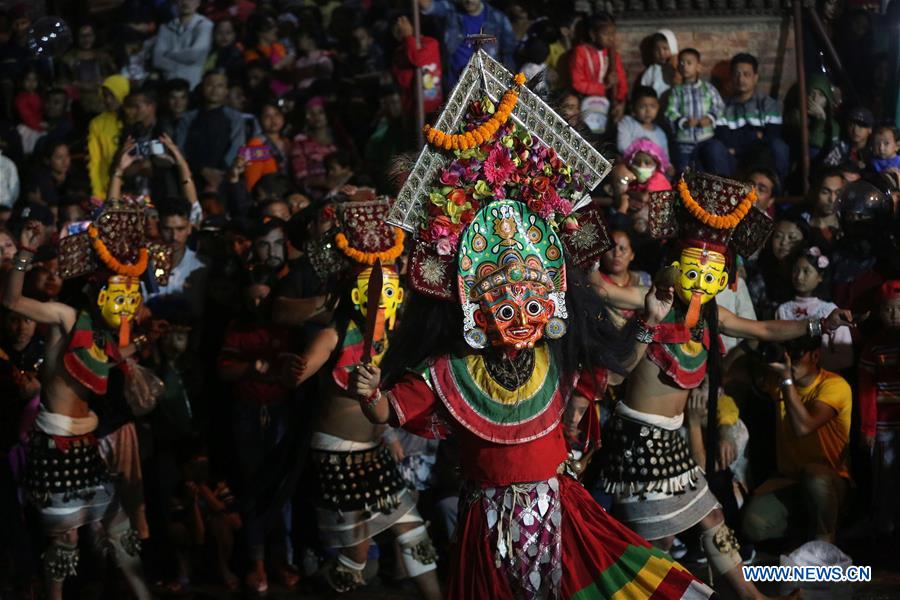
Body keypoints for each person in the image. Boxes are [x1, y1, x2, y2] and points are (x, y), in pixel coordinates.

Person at [347, 60, 714, 600]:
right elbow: (389, 410)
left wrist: (647, 325)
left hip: (559, 511)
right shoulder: (451, 369)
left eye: (531, 300)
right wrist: (369, 394)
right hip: (486, 523)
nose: (519, 314)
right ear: (475, 311)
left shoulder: (555, 355)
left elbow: (613, 373)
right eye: (503, 304)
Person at [594, 170, 851, 599]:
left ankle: (752, 598)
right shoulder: (653, 300)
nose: (701, 281)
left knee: (712, 519)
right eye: (694, 269)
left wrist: (818, 324)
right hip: (638, 441)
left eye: (712, 272)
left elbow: (764, 330)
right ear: (675, 266)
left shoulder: (713, 315)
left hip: (671, 443)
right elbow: (601, 292)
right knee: (655, 546)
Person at [2, 203, 166, 600]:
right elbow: (12, 302)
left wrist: (145, 339)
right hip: (54, 444)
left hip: (86, 445)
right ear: (97, 291)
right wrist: (24, 253)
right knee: (66, 541)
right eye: (118, 295)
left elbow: (109, 358)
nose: (125, 306)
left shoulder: (102, 334)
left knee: (120, 531)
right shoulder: (65, 317)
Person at [290, 198, 440, 596]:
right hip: (337, 454)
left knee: (414, 532)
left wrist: (388, 434)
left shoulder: (394, 335)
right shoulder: (334, 333)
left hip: (374, 450)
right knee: (356, 556)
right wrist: (285, 369)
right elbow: (299, 373)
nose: (380, 300)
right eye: (372, 292)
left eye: (389, 291)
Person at [217, 266, 305, 594]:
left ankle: (283, 559)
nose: (257, 304)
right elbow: (224, 369)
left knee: (280, 488)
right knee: (253, 486)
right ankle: (257, 562)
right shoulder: (238, 328)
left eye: (263, 298)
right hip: (248, 413)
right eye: (251, 298)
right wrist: (255, 366)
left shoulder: (285, 329)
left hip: (280, 412)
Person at [742, 336, 852, 544]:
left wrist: (786, 380)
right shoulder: (778, 381)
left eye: (796, 356)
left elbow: (803, 427)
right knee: (753, 525)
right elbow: (742, 357)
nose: (790, 362)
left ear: (815, 356)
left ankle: (824, 542)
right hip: (790, 480)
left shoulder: (834, 385)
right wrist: (765, 344)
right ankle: (807, 535)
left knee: (814, 476)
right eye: (787, 355)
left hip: (830, 480)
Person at [701, 53, 789, 182]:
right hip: (733, 162)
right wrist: (755, 136)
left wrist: (737, 147)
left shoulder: (768, 104)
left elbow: (772, 136)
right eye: (737, 74)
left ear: (755, 78)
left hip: (761, 160)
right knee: (713, 147)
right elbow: (724, 139)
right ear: (732, 77)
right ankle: (724, 191)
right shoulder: (723, 107)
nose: (741, 79)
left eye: (746, 74)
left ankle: (775, 191)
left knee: (779, 147)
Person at [859, 280, 900, 537]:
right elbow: (867, 391)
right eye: (888, 309)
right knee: (886, 479)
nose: (894, 314)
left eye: (899, 309)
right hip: (885, 425)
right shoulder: (873, 347)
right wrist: (868, 428)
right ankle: (886, 527)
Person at [776, 246, 854, 371]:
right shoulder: (783, 309)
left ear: (820, 276)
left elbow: (845, 357)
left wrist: (812, 366)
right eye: (795, 270)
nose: (799, 277)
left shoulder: (830, 310)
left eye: (806, 271)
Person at [419, 0, 516, 88]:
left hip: (485, 84)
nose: (469, 1)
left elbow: (508, 54)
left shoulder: (498, 19)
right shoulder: (452, 11)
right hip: (454, 83)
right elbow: (428, 6)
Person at [175, 70, 246, 191]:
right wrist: (202, 170)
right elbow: (180, 148)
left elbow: (237, 147)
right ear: (202, 87)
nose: (214, 90)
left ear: (226, 90)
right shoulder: (188, 118)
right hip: (193, 177)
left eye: (220, 86)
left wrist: (221, 173)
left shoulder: (235, 118)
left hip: (225, 178)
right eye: (210, 85)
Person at [665, 48, 724, 173]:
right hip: (684, 143)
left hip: (706, 140)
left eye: (689, 63)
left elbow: (719, 106)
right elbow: (670, 112)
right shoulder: (676, 92)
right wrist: (683, 121)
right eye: (681, 63)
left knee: (709, 170)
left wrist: (710, 118)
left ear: (698, 67)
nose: (685, 66)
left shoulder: (708, 89)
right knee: (683, 174)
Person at [569, 13, 627, 133]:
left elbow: (621, 79)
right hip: (583, 102)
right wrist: (604, 87)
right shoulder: (581, 52)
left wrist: (620, 101)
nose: (611, 38)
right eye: (606, 34)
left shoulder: (613, 55)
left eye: (613, 34)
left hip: (607, 105)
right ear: (593, 34)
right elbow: (577, 83)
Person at [152, 0, 214, 90]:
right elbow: (157, 60)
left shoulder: (205, 25)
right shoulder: (165, 27)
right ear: (176, 2)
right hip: (169, 84)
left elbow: (193, 55)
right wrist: (183, 66)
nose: (185, 2)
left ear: (198, 3)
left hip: (193, 85)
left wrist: (168, 54)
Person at [390, 14, 443, 117]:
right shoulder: (399, 52)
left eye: (402, 25)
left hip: (432, 107)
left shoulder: (430, 43)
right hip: (412, 110)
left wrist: (408, 36)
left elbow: (417, 59)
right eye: (395, 27)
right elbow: (402, 80)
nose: (399, 29)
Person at [597, 229, 651, 328]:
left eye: (622, 249)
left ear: (632, 255)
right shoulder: (595, 281)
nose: (617, 254)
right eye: (611, 248)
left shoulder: (643, 279)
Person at [87, 74, 130, 198]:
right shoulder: (97, 123)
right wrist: (97, 193)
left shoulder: (133, 119)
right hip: (108, 186)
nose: (108, 100)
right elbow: (95, 160)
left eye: (112, 95)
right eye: (105, 95)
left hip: (135, 186)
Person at [617, 86, 669, 168]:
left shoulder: (660, 134)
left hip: (653, 171)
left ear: (658, 107)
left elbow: (665, 158)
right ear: (633, 107)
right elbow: (622, 147)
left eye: (653, 106)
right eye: (642, 106)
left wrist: (669, 167)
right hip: (631, 167)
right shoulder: (627, 123)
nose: (648, 111)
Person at [803, 168, 844, 253]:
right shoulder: (799, 225)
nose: (832, 199)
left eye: (838, 193)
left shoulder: (848, 224)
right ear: (813, 192)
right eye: (825, 192)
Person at [639, 29, 679, 98]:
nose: (661, 53)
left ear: (673, 48)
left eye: (665, 49)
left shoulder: (679, 69)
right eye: (657, 50)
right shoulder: (651, 72)